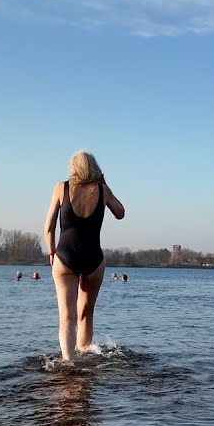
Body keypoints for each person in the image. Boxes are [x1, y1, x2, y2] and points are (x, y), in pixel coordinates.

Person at [43, 150, 125, 362]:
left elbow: (49, 228)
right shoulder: (102, 190)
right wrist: (105, 185)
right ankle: (85, 355)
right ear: (94, 168)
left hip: (65, 256)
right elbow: (120, 213)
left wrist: (51, 253)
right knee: (86, 314)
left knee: (67, 316)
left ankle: (68, 362)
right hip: (93, 258)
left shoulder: (61, 188)